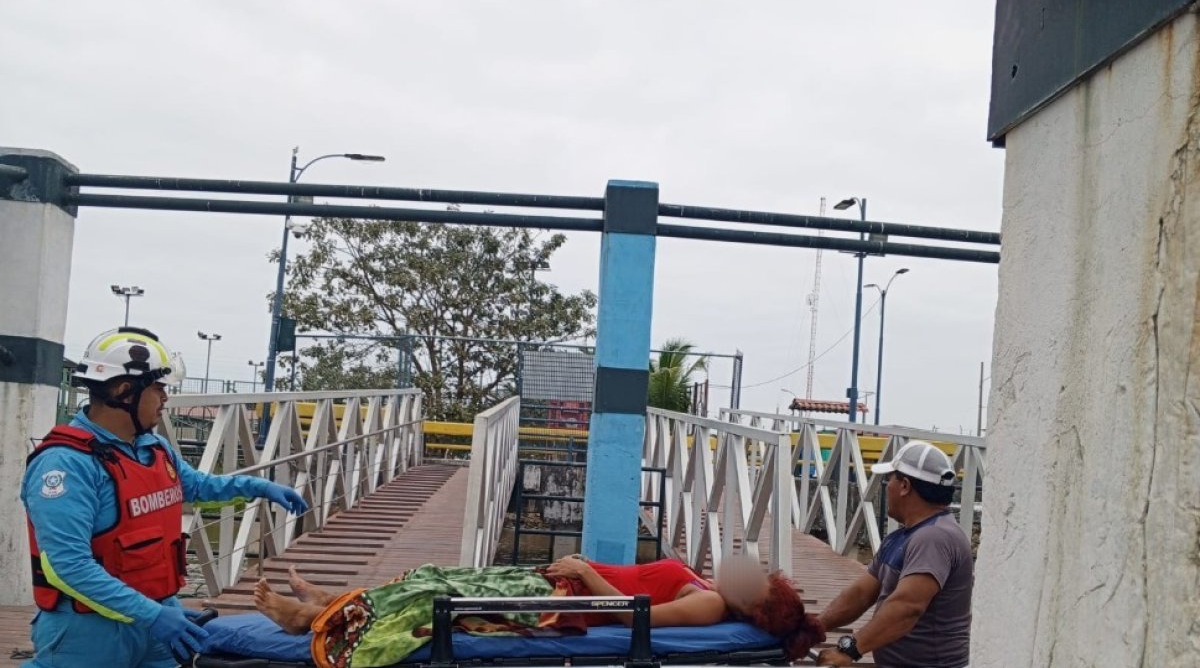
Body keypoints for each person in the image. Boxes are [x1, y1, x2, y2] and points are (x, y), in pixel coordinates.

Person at [21, 327, 311, 668]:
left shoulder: (153, 449)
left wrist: (257, 487)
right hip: (90, 633)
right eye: (158, 388)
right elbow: (68, 567)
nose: (165, 398)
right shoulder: (66, 466)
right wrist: (152, 615)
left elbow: (200, 487)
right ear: (124, 391)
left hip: (158, 620)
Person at [254, 555, 825, 661]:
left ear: (751, 603)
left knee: (438, 591)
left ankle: (311, 618)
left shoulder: (709, 605)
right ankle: (330, 601)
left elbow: (631, 615)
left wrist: (581, 573)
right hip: (562, 585)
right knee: (431, 576)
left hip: (557, 604)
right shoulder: (707, 584)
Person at [814, 441, 973, 668]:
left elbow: (907, 606)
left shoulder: (934, 537)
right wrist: (815, 627)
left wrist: (849, 650)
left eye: (890, 479)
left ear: (905, 485)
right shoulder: (902, 536)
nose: (886, 486)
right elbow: (861, 594)